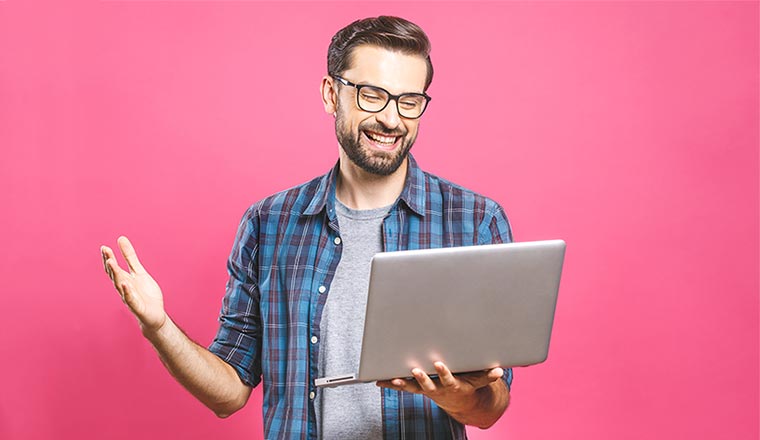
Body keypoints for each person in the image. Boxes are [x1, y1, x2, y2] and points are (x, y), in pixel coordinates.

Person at [101, 16, 513, 439]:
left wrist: (453, 395)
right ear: (331, 94)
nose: (391, 120)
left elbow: (489, 406)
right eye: (373, 95)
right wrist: (158, 326)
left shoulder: (475, 222)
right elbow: (228, 393)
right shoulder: (268, 225)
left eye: (408, 101)